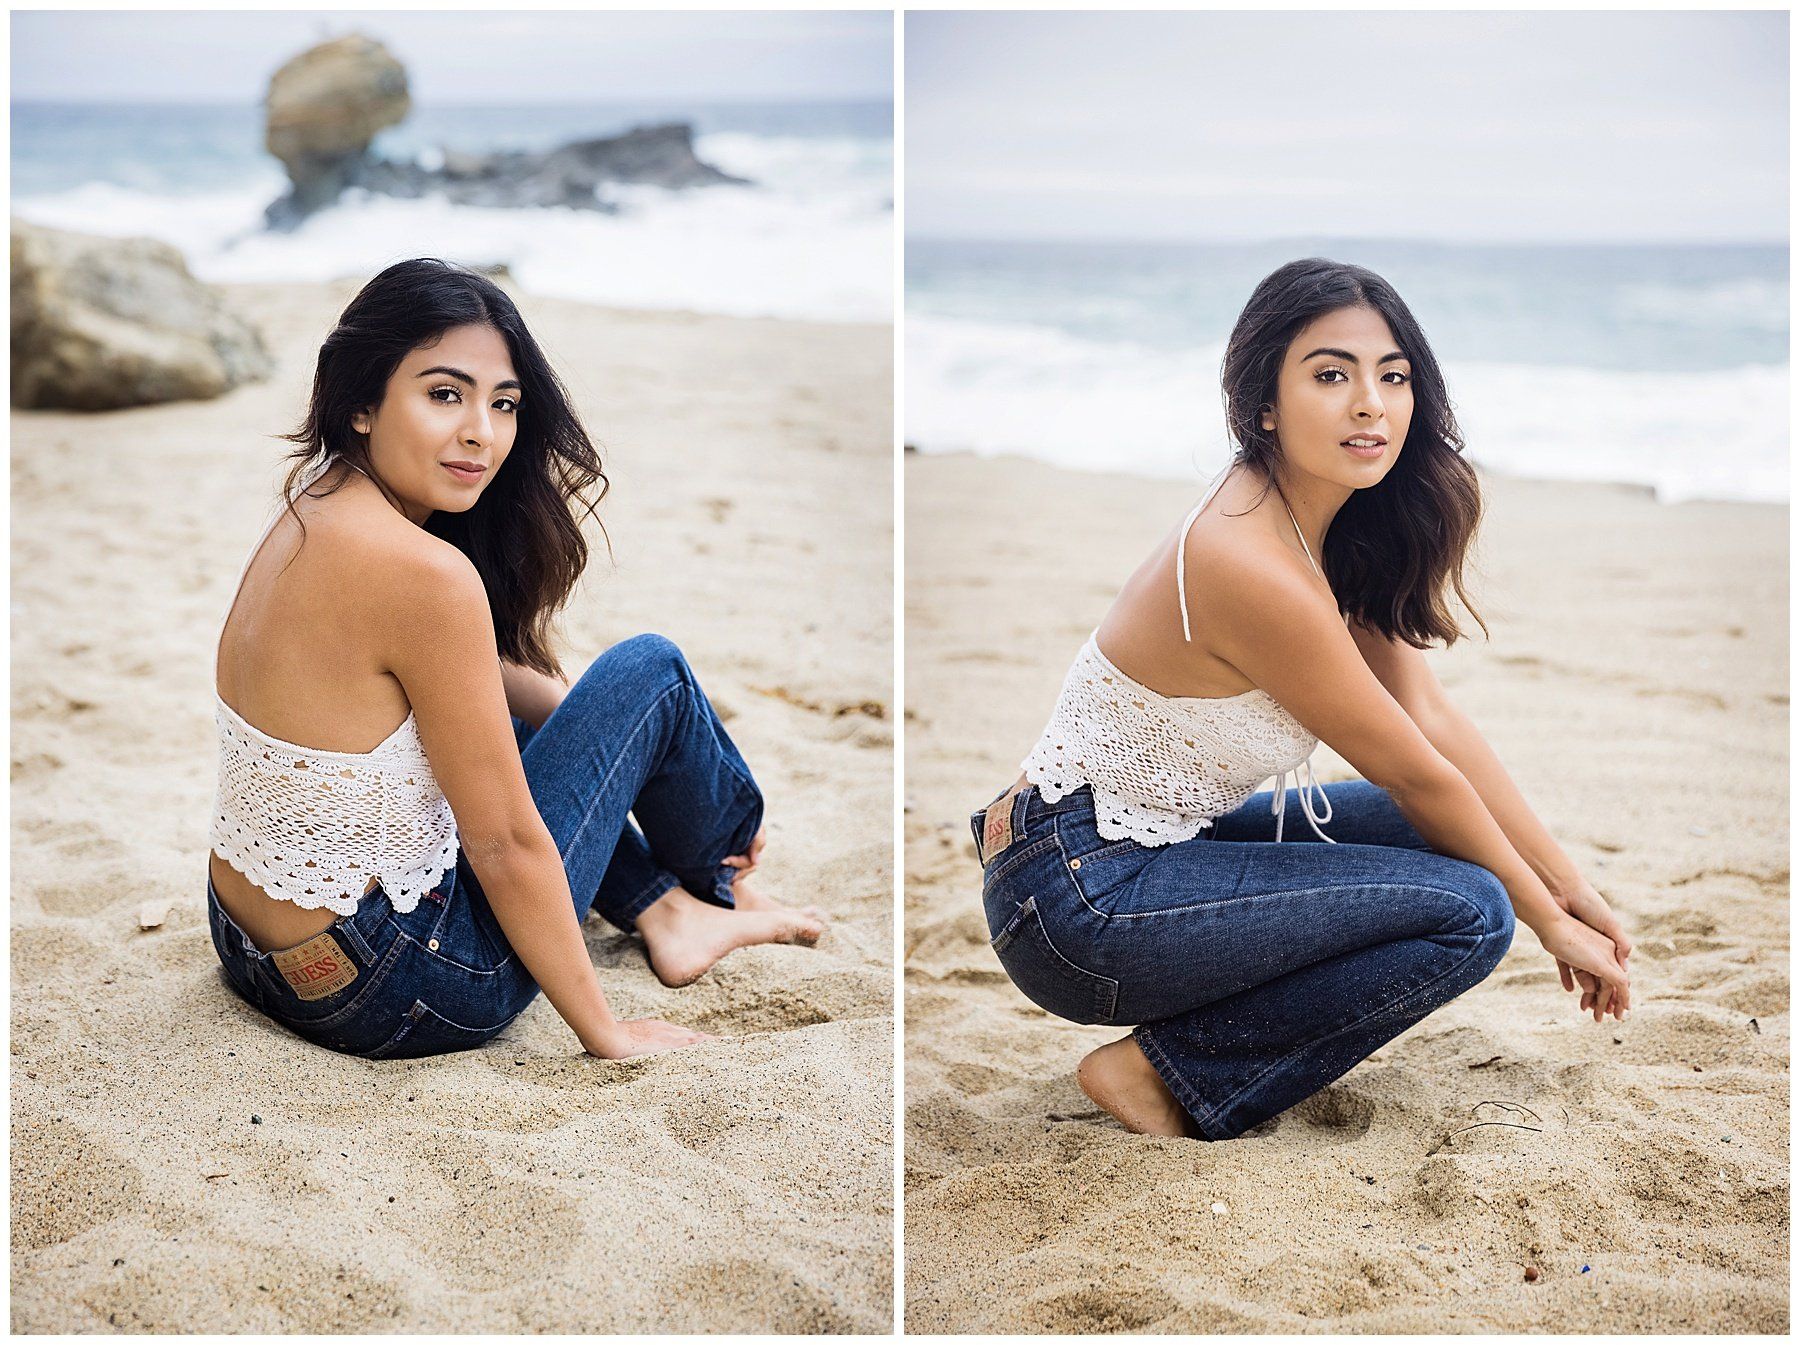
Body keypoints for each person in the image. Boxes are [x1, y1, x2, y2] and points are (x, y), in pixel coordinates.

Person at [973, 258, 1634, 1140]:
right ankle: (1162, 1073)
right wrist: (1545, 922)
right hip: (1076, 900)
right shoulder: (1246, 560)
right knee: (1474, 912)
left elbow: (1432, 723)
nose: (1370, 402)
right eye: (1332, 374)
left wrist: (1570, 884)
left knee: (1452, 849)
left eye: (1392, 376)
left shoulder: (1329, 523)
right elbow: (1414, 772)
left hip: (1148, 849)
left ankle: (1174, 1058)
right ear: (1265, 405)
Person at [207, 258, 823, 1062]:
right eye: (443, 394)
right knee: (652, 671)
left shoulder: (312, 507)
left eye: (503, 404)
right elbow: (503, 845)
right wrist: (606, 1032)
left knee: (543, 726)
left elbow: (460, 681)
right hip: (398, 987)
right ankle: (719, 885)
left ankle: (669, 909)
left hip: (252, 949)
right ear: (361, 400)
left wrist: (605, 744)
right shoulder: (427, 575)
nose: (482, 433)